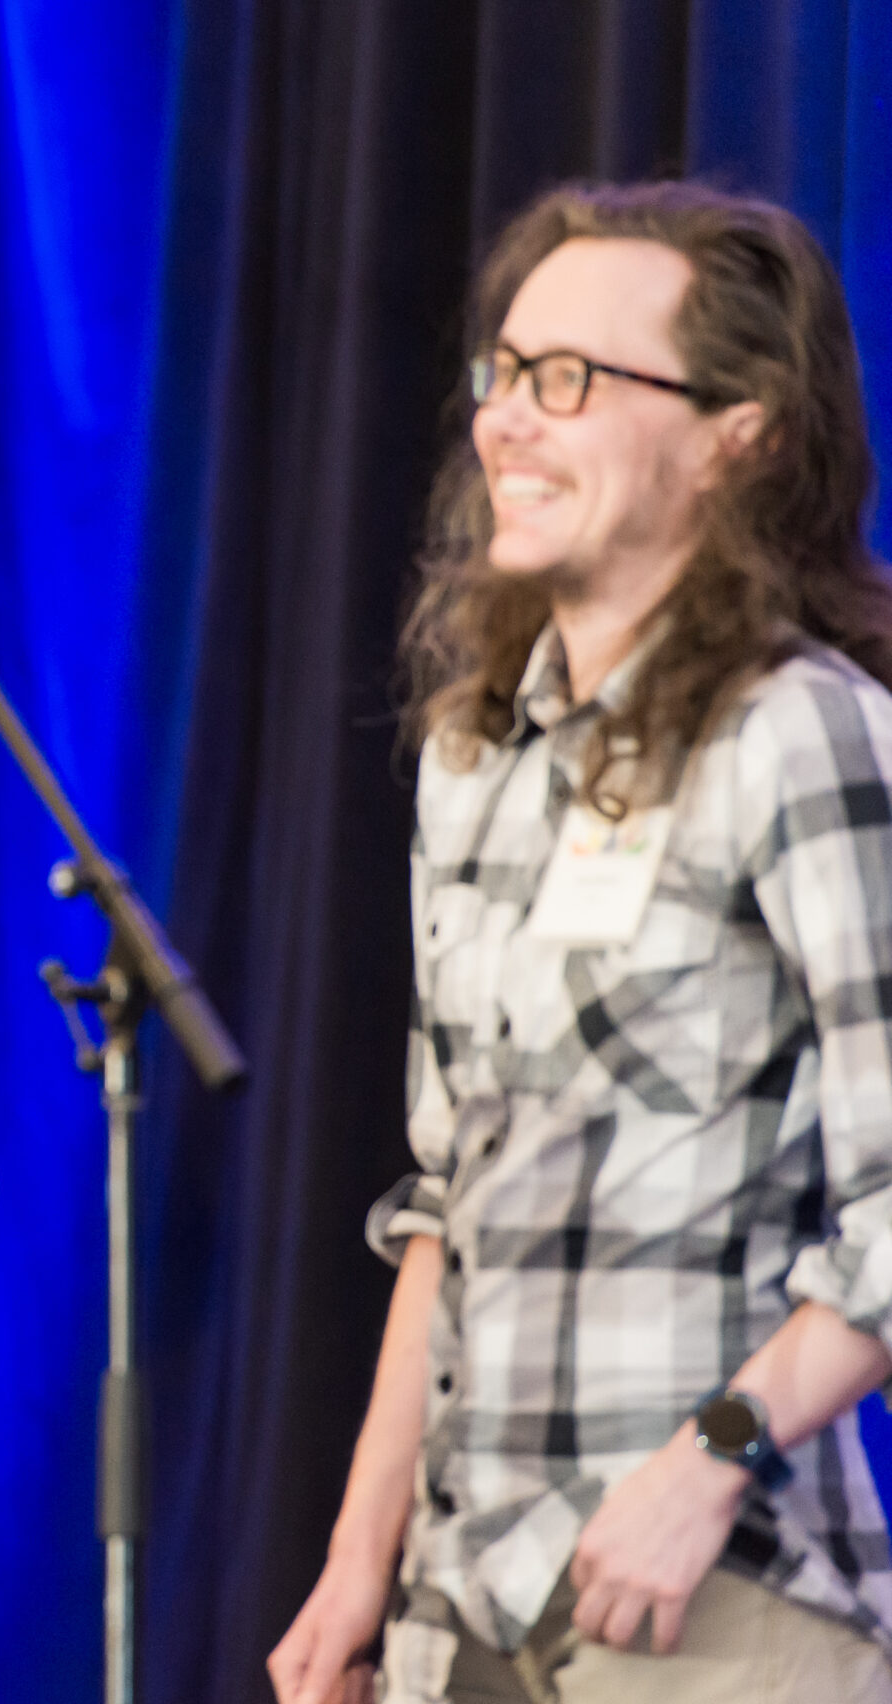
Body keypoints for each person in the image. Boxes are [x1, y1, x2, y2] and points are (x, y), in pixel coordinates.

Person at [269, 182, 892, 1704]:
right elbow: (449, 1205)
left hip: (708, 1608)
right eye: (502, 373)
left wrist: (713, 1458)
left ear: (738, 433)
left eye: (568, 380)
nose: (503, 423)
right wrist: (358, 1562)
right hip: (461, 1609)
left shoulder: (800, 736)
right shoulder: (474, 759)